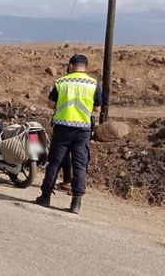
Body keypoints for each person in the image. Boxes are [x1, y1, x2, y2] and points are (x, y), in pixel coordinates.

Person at [36, 54, 102, 214]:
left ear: (71, 65)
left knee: (54, 163)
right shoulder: (94, 84)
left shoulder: (62, 82)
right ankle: (76, 202)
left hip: (63, 129)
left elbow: (51, 104)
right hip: (83, 131)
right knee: (79, 165)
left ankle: (45, 197)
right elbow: (97, 109)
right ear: (85, 67)